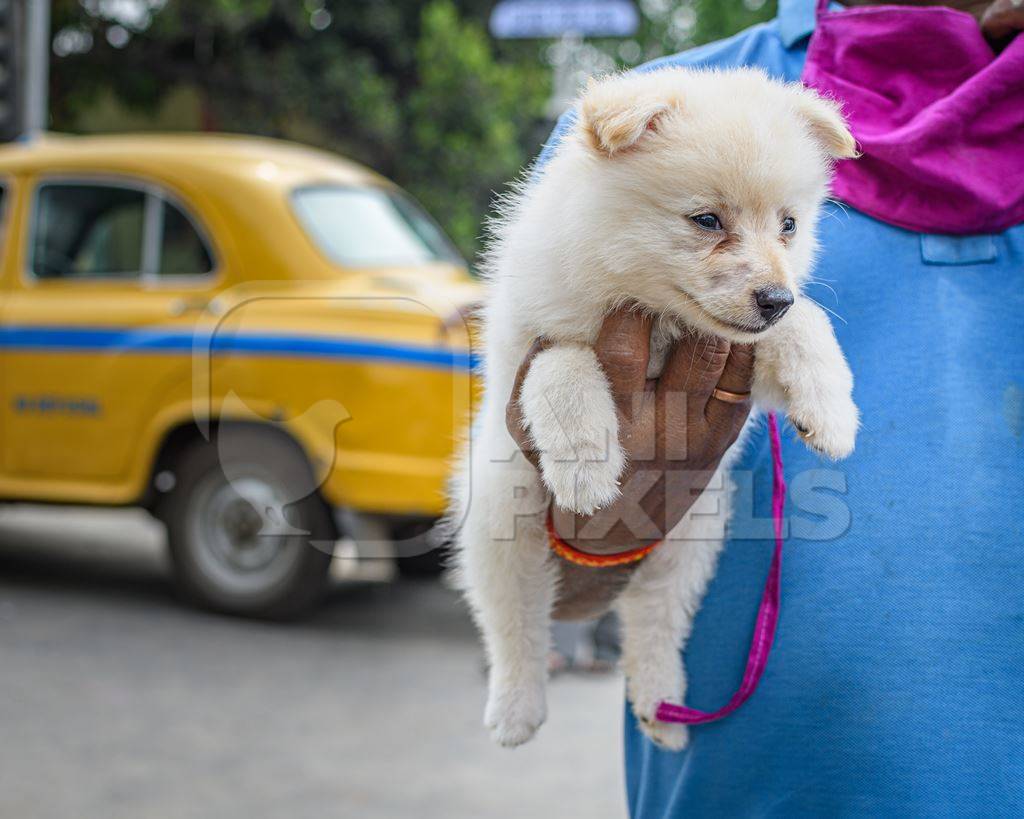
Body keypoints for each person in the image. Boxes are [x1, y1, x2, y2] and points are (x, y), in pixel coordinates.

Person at [506, 0, 1024, 813]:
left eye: (788, 225)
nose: (774, 274)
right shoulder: (647, 119)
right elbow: (532, 556)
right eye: (710, 222)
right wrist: (607, 522)